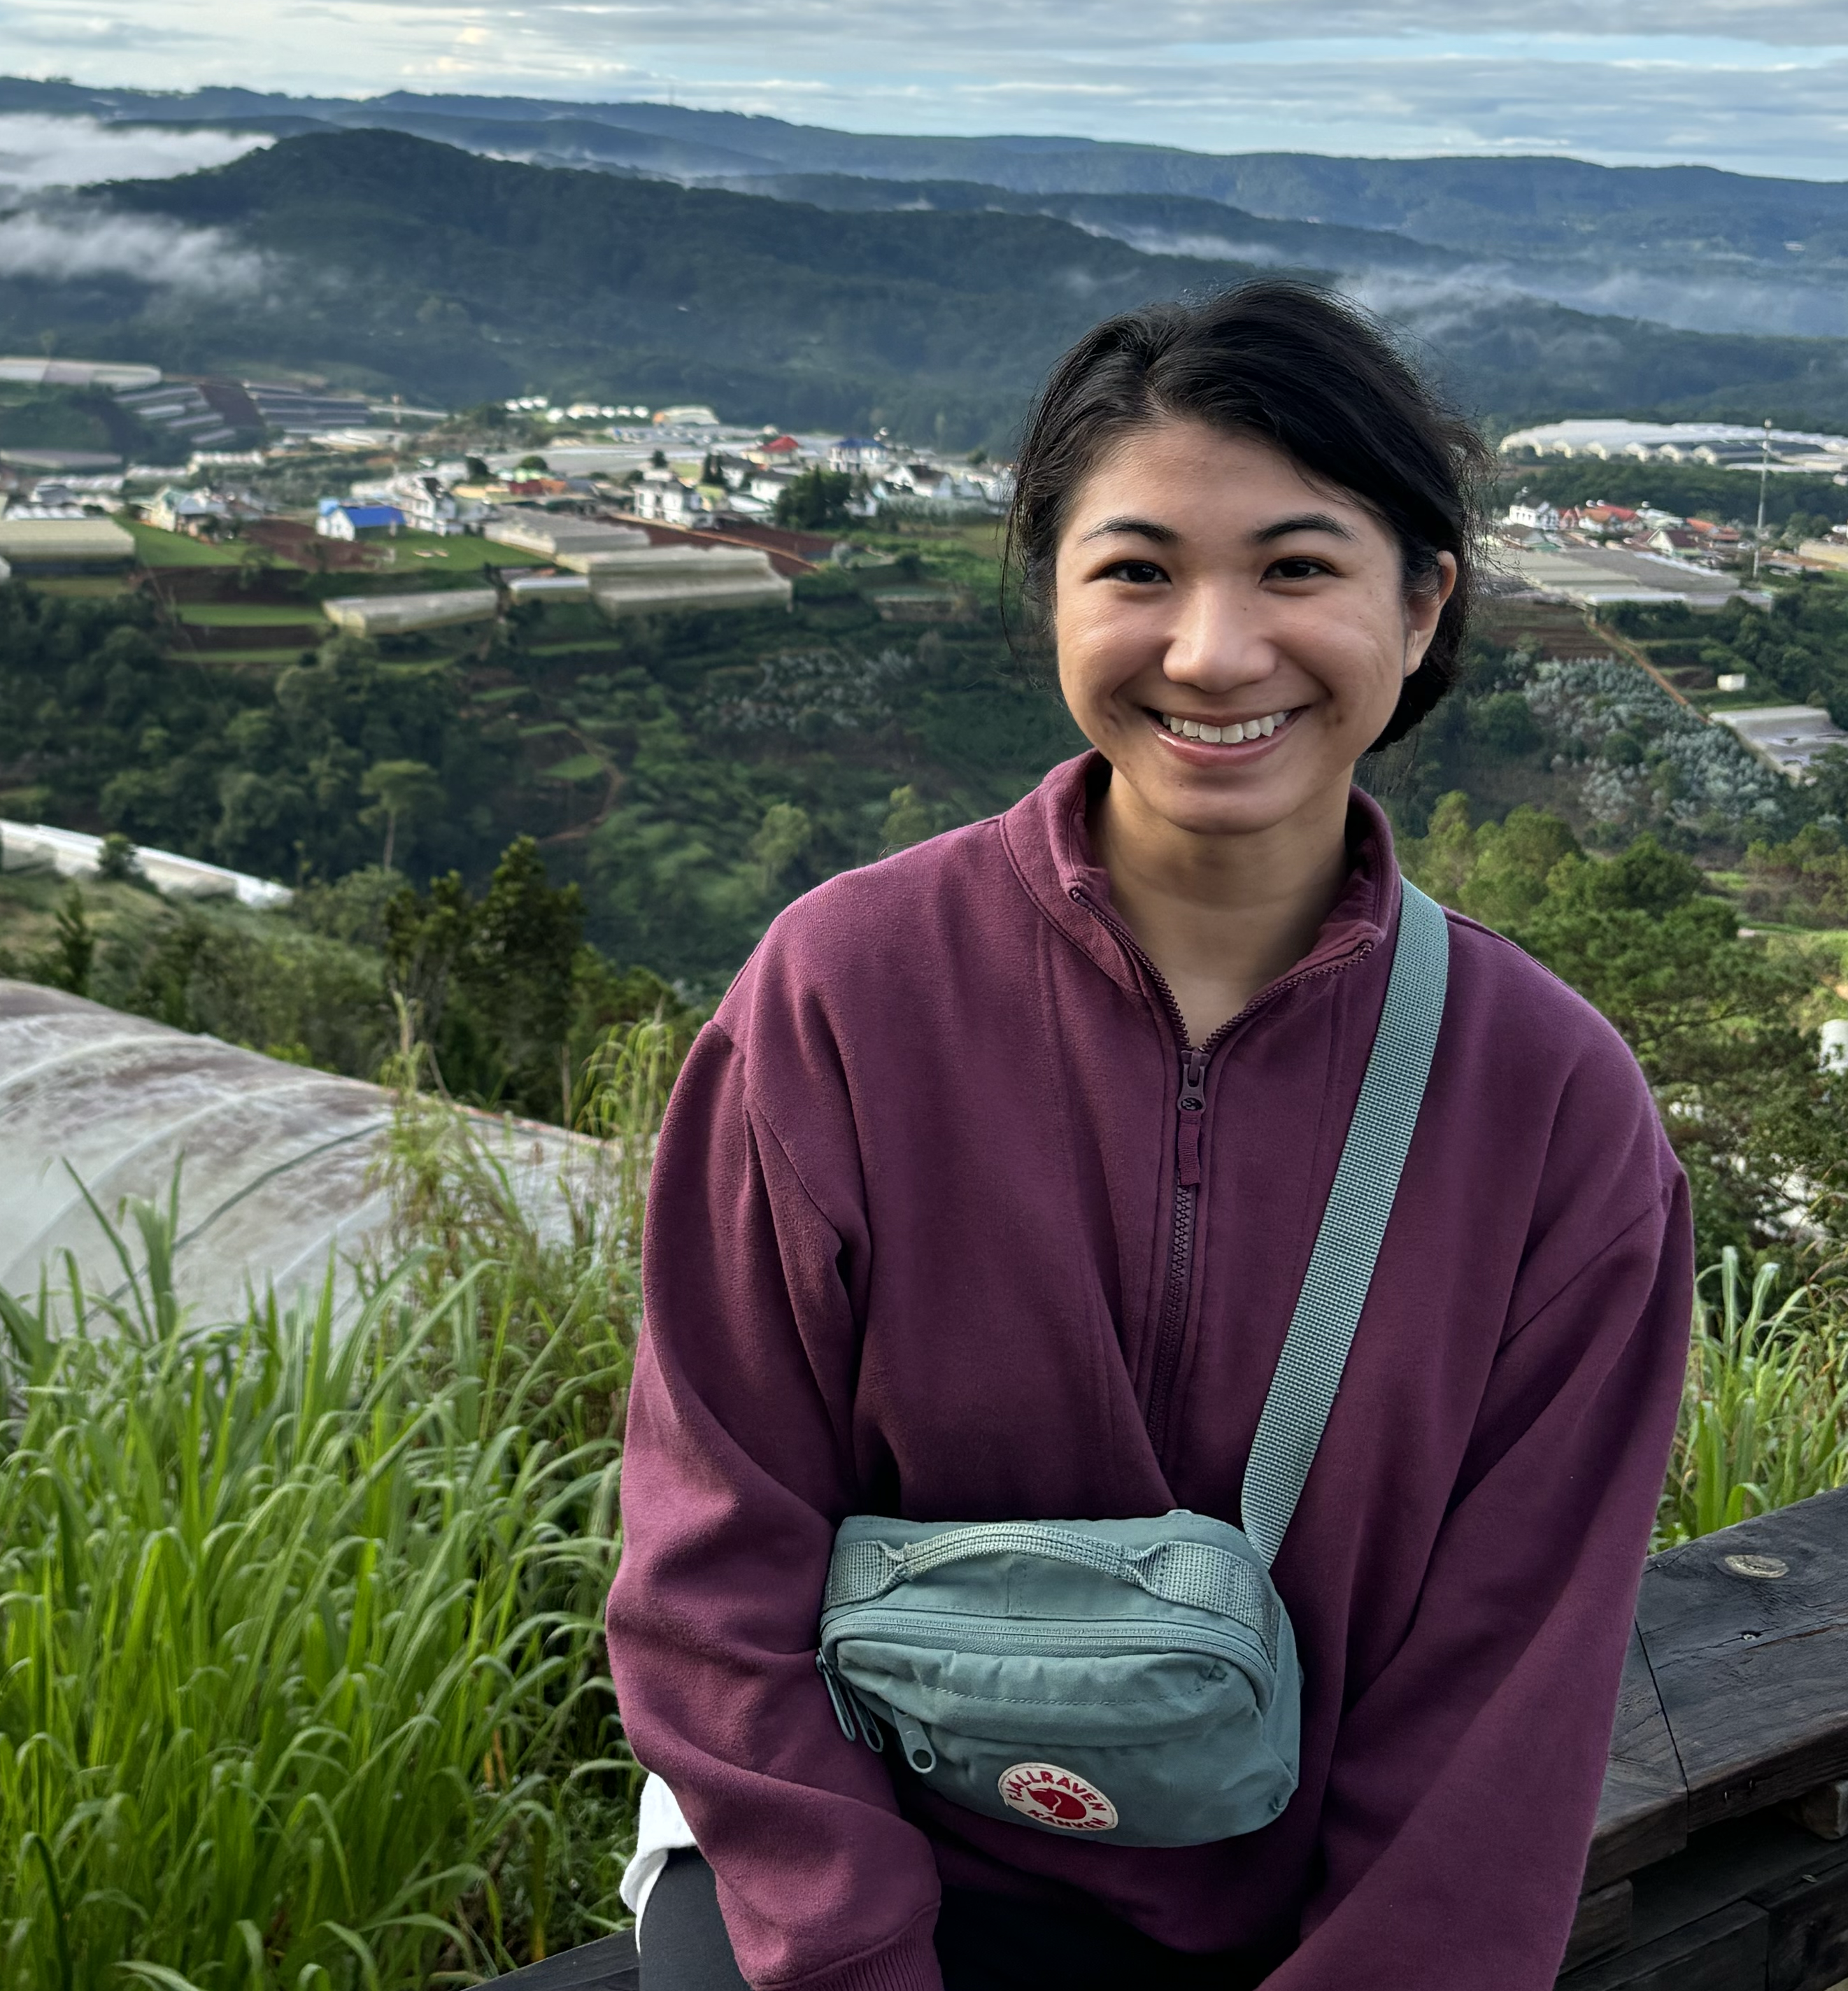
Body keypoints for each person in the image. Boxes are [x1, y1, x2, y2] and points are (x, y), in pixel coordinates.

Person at [607, 278, 1694, 1991]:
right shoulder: (842, 995)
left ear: (1421, 605)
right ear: (1049, 591)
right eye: (1136, 570)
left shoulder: (1548, 1104)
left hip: (1287, 1916)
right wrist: (854, 1953)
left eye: (1295, 567)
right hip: (854, 1864)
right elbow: (713, 1559)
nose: (1211, 651)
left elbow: (1505, 1703)